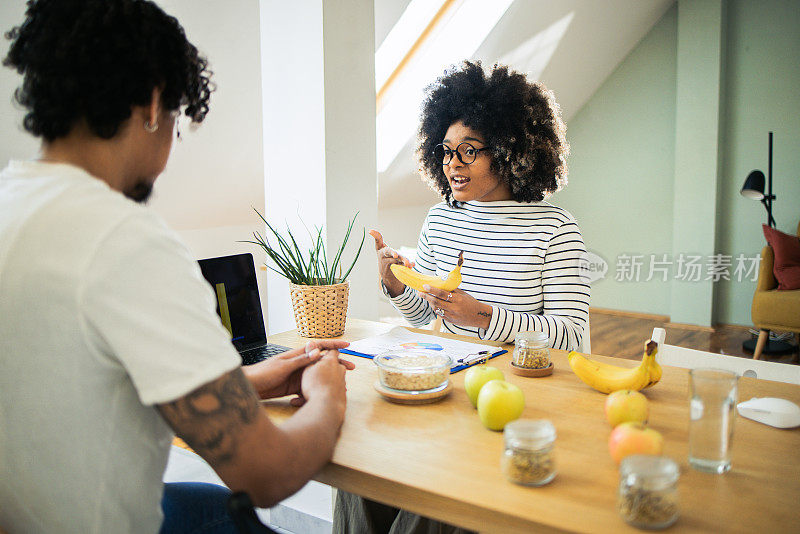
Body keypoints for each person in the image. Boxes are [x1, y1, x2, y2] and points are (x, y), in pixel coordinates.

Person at [0, 1, 353, 533]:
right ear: (153, 101)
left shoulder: (12, 203)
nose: (169, 144)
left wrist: (247, 382)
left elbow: (82, 383)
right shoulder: (124, 241)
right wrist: (328, 398)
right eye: (175, 121)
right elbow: (266, 474)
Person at [334, 61, 590, 533]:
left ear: (512, 151)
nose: (452, 164)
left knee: (429, 500)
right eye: (446, 151)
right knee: (356, 470)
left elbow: (572, 338)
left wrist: (485, 317)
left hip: (512, 395)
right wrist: (396, 284)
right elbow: (427, 309)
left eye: (469, 151)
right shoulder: (442, 218)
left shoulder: (556, 228)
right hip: (444, 383)